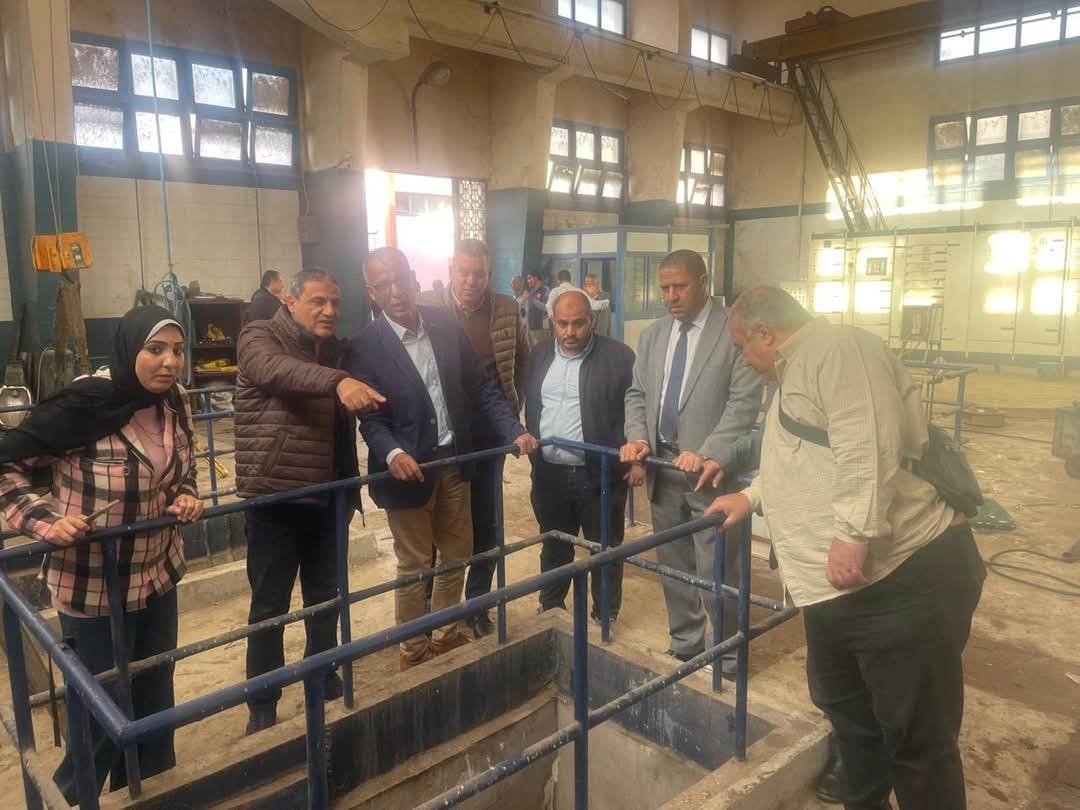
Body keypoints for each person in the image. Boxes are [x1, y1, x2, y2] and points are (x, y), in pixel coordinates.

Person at [705, 287, 984, 810]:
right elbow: (803, 456)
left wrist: (854, 534)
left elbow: (867, 440)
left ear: (766, 333)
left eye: (742, 346)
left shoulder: (838, 349)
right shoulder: (796, 372)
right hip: (835, 589)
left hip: (897, 581)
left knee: (917, 734)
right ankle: (867, 796)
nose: (743, 357)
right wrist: (751, 496)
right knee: (844, 705)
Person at [0, 305, 202, 805]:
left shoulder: (175, 402)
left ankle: (152, 793)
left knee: (156, 697)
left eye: (178, 351)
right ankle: (70, 799)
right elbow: (7, 465)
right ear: (129, 348)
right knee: (102, 712)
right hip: (93, 584)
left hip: (158, 575)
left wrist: (186, 495)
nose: (170, 362)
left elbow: (186, 468)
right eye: (155, 350)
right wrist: (45, 520)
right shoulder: (84, 403)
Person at [350, 248, 538, 670]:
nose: (396, 291)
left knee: (457, 553)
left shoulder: (443, 325)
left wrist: (514, 429)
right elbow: (370, 420)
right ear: (371, 292)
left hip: (454, 462)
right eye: (384, 285)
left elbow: (482, 386)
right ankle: (413, 650)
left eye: (401, 279)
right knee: (415, 563)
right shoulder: (365, 347)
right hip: (407, 473)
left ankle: (445, 634)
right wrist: (393, 452)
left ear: (415, 279)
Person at [234, 268, 385, 735]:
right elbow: (276, 371)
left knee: (325, 596)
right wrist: (339, 381)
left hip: (331, 495)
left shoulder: (334, 348)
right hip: (277, 496)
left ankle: (322, 674)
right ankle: (263, 700)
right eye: (318, 301)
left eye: (335, 302)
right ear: (291, 301)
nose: (329, 310)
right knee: (269, 606)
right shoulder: (260, 337)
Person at [619, 249, 761, 675]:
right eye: (664, 288)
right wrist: (638, 439)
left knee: (720, 569)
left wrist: (708, 451)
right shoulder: (653, 336)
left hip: (711, 474)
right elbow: (637, 395)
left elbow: (742, 405)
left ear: (704, 281)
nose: (670, 296)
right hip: (663, 469)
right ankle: (685, 643)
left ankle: (729, 655)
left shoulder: (733, 332)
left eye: (679, 286)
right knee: (674, 565)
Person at [419, 239, 531, 637]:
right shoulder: (426, 305)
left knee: (487, 523)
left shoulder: (506, 309)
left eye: (479, 274)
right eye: (464, 272)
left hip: (489, 434)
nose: (471, 281)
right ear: (451, 270)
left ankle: (478, 604)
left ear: (489, 274)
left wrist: (513, 415)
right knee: (438, 523)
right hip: (441, 436)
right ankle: (431, 607)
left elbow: (522, 361)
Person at [526, 287, 635, 622]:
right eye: (563, 324)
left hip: (599, 474)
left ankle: (604, 616)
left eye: (578, 323)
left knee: (604, 548)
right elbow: (533, 405)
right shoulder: (539, 355)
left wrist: (634, 457)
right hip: (549, 473)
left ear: (592, 321)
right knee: (554, 544)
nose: (570, 332)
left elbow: (636, 408)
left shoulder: (619, 357)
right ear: (551, 322)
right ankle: (551, 607)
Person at [524, 270, 550, 346]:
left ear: (536, 278)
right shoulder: (531, 291)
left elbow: (546, 308)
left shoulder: (545, 290)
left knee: (541, 350)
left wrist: (533, 300)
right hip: (531, 328)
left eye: (530, 278)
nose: (528, 281)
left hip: (541, 328)